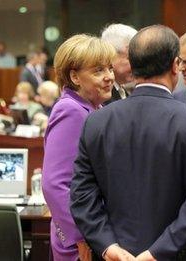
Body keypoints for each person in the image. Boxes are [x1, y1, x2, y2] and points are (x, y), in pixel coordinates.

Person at [70, 25, 186, 260]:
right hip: (179, 254)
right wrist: (156, 252)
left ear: (132, 66)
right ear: (174, 65)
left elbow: (81, 195)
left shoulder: (96, 122)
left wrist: (108, 246)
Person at [41, 34, 116, 261]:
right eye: (98, 71)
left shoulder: (92, 108)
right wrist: (81, 236)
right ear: (74, 76)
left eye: (110, 68)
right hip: (81, 244)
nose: (109, 77)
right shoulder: (71, 111)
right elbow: (55, 184)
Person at [101, 23, 137, 104]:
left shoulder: (122, 90)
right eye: (131, 58)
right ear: (111, 55)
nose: (137, 64)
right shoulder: (101, 96)